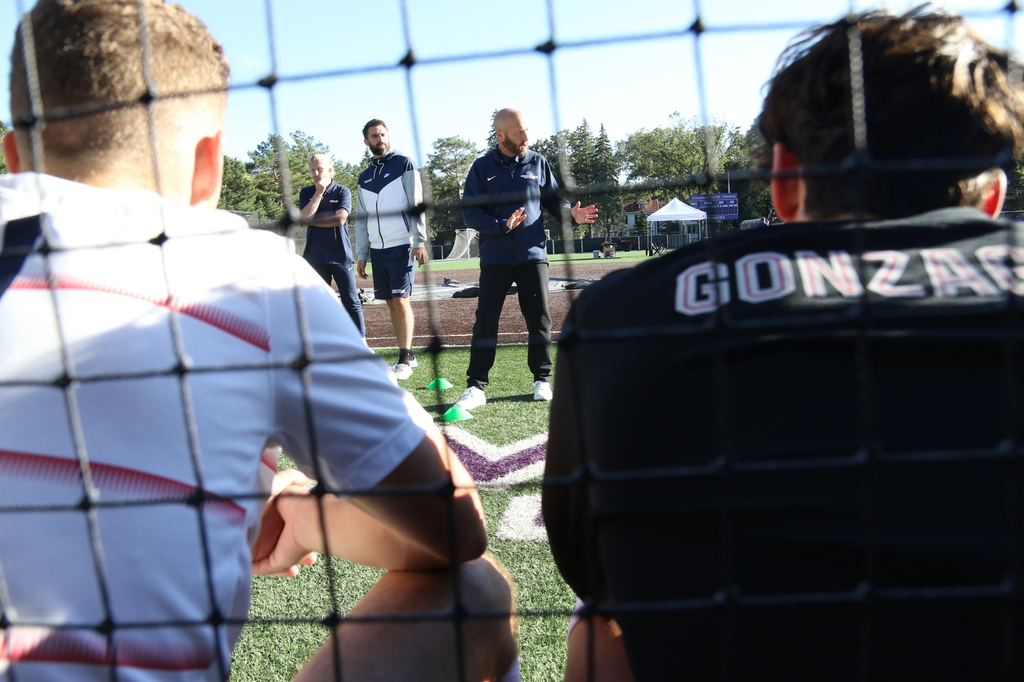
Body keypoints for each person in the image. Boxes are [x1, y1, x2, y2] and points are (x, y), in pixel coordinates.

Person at [0, 1, 517, 680]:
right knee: (476, 594)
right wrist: (302, 512)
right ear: (208, 166)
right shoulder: (245, 274)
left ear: (13, 155)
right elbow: (456, 527)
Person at [544, 7, 1024, 681]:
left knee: (599, 631)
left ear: (783, 178)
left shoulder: (622, 313)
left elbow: (591, 568)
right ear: (992, 196)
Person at [457, 108, 597, 408]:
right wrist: (501, 225)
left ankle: (542, 380)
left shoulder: (538, 162)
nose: (526, 137)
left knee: (539, 319)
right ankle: (476, 386)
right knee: (486, 322)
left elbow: (554, 202)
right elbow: (471, 212)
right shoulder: (481, 167)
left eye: (527, 130)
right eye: (519, 132)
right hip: (495, 258)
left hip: (533, 255)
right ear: (500, 135)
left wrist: (570, 215)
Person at [354, 119, 429, 380]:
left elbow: (416, 204)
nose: (380, 139)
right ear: (367, 141)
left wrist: (419, 241)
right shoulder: (364, 177)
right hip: (377, 250)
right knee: (390, 302)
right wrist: (362, 254)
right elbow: (361, 219)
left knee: (401, 300)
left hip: (402, 245)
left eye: (383, 134)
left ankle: (404, 358)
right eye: (374, 136)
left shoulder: (404, 164)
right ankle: (409, 353)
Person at [300, 153, 365, 336]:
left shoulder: (343, 191)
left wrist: (312, 221)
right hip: (314, 257)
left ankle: (361, 343)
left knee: (351, 301)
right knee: (319, 304)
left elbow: (340, 219)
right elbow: (304, 218)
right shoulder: (306, 192)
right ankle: (325, 343)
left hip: (340, 256)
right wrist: (319, 193)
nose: (316, 173)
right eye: (313, 170)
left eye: (319, 169)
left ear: (329, 170)